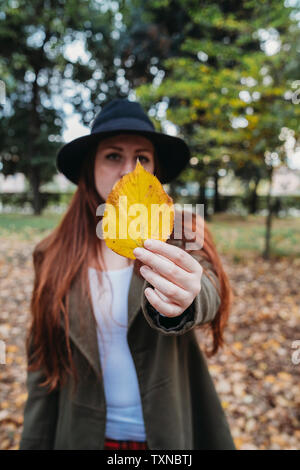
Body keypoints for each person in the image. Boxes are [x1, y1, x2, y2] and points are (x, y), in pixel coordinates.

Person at [19, 98, 236, 450]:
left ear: (154, 171)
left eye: (142, 158)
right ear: (90, 167)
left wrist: (187, 297)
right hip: (82, 436)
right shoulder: (52, 254)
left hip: (166, 435)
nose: (128, 169)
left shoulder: (180, 233)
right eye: (112, 155)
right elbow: (43, 365)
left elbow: (208, 287)